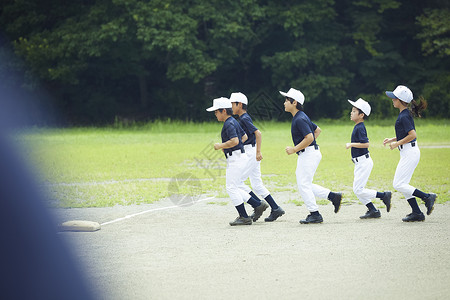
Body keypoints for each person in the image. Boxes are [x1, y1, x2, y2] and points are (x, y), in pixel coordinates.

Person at [281, 88, 342, 224]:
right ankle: (333, 196)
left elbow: (309, 136)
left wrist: (294, 149)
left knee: (303, 184)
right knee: (305, 184)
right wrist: (309, 145)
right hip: (309, 153)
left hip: (308, 153)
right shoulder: (301, 116)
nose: (284, 102)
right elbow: (317, 130)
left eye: (286, 100)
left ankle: (315, 214)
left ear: (294, 102)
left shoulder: (299, 119)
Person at [206, 97, 267, 226]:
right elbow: (243, 137)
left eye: (216, 111)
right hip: (239, 156)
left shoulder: (228, 123)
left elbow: (235, 140)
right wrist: (231, 147)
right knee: (236, 186)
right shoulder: (234, 121)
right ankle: (257, 204)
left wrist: (221, 146)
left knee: (231, 188)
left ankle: (244, 217)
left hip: (235, 158)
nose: (215, 114)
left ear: (223, 111)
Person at [384, 85, 437, 222]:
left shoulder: (404, 116)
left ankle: (426, 197)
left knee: (398, 184)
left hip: (410, 152)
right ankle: (417, 213)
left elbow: (412, 135)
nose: (392, 99)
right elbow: (405, 134)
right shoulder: (404, 114)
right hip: (408, 152)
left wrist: (396, 144)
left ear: (400, 100)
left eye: (394, 97)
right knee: (403, 184)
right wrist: (393, 139)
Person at [230, 92, 284, 222]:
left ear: (240, 104)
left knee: (238, 182)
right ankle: (275, 208)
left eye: (232, 103)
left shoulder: (244, 118)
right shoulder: (243, 118)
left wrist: (258, 152)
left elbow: (258, 133)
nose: (230, 106)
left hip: (251, 153)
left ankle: (258, 205)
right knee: (257, 184)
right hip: (251, 151)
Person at [346, 98, 392, 219]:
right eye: (352, 110)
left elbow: (366, 144)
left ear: (361, 115)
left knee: (358, 190)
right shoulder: (358, 126)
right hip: (359, 162)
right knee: (357, 190)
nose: (351, 113)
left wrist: (351, 144)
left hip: (363, 162)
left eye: (354, 111)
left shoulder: (360, 127)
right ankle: (373, 210)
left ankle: (383, 195)